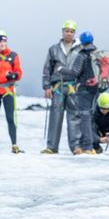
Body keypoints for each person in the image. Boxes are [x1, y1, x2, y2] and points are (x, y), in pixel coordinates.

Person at [41, 20, 83, 154]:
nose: (69, 34)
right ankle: (52, 147)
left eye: (71, 31)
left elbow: (84, 68)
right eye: (67, 31)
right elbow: (47, 68)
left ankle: (76, 146)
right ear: (62, 31)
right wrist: (46, 86)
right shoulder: (54, 49)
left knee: (74, 116)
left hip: (74, 87)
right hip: (58, 86)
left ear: (74, 33)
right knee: (55, 116)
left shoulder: (80, 48)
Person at [59, 32, 100, 155]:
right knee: (89, 116)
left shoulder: (82, 55)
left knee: (84, 117)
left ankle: (87, 146)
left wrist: (61, 70)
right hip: (96, 89)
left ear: (81, 42)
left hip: (84, 89)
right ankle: (87, 145)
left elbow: (75, 72)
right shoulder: (98, 54)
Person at [0, 30, 24, 153]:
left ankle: (14, 144)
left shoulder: (13, 55)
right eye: (0, 40)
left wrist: (14, 75)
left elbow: (19, 71)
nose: (2, 43)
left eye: (4, 40)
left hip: (7, 90)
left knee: (10, 117)